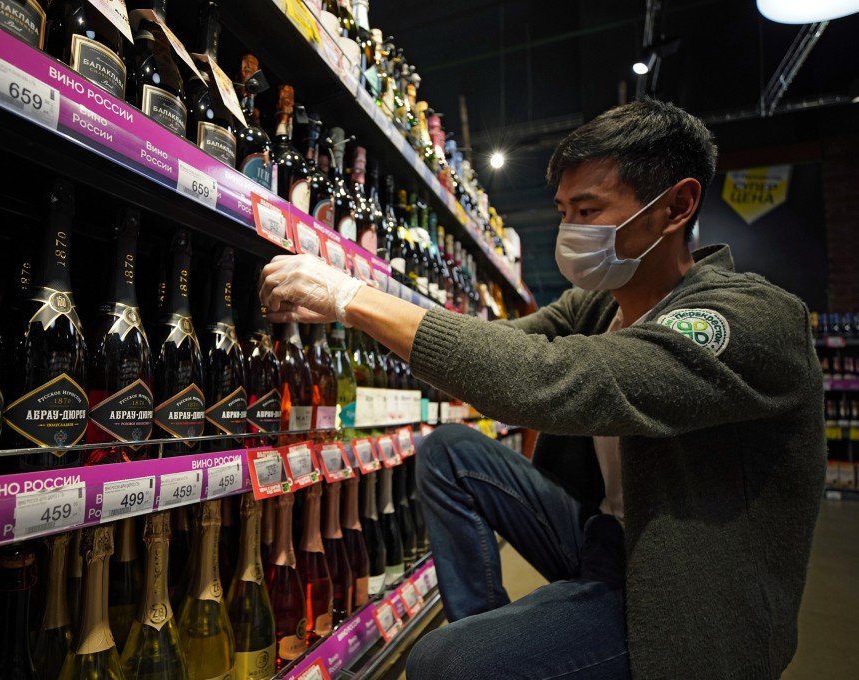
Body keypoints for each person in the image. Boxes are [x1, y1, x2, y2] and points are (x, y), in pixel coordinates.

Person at [258, 98, 825, 679]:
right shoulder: (601, 304)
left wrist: (354, 297)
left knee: (438, 663)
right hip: (606, 543)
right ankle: (491, 638)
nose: (570, 231)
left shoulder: (748, 319)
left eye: (589, 209)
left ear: (676, 206)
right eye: (563, 211)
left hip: (686, 601)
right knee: (450, 451)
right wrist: (355, 316)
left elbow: (553, 378)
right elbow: (494, 347)